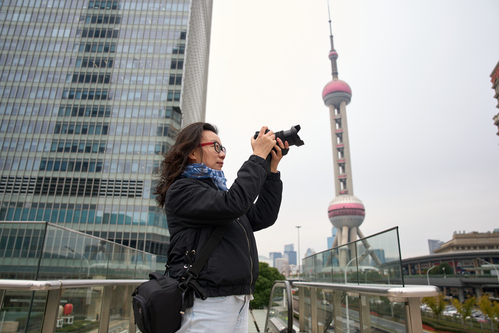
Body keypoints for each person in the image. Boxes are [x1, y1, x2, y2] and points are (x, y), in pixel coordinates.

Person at [154, 122, 289, 333]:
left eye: (222, 148)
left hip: (238, 300)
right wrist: (257, 157)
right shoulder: (182, 190)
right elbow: (235, 203)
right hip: (206, 303)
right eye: (215, 147)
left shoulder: (219, 194)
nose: (222, 154)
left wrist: (271, 170)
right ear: (191, 152)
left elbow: (262, 217)